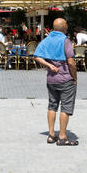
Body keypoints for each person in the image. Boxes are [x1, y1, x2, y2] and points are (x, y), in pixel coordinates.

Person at [34, 18, 78, 146]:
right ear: (64, 27)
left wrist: (49, 65)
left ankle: (51, 134)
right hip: (65, 79)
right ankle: (63, 137)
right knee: (66, 107)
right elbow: (71, 62)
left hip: (51, 79)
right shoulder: (65, 40)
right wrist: (74, 77)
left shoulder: (46, 40)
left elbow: (36, 56)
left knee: (52, 105)